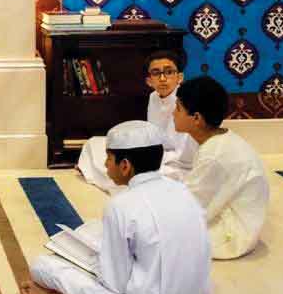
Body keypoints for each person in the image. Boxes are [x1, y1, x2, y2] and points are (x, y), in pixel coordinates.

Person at [22, 121, 212, 294]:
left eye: (109, 158)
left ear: (125, 166)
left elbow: (116, 284)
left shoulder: (121, 205)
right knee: (98, 230)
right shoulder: (182, 190)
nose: (105, 165)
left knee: (43, 266)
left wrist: (94, 265)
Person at [173, 75, 269, 259]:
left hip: (233, 235)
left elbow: (192, 206)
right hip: (235, 216)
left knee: (156, 234)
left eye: (178, 109)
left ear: (196, 118)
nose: (172, 114)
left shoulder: (214, 154)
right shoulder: (219, 140)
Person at [78, 50, 197, 192]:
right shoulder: (153, 97)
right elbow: (152, 136)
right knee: (95, 143)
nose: (163, 78)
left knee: (133, 172)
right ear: (149, 81)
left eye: (169, 72)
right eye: (156, 73)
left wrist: (146, 157)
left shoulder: (186, 102)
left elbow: (183, 154)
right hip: (155, 154)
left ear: (180, 77)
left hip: (176, 165)